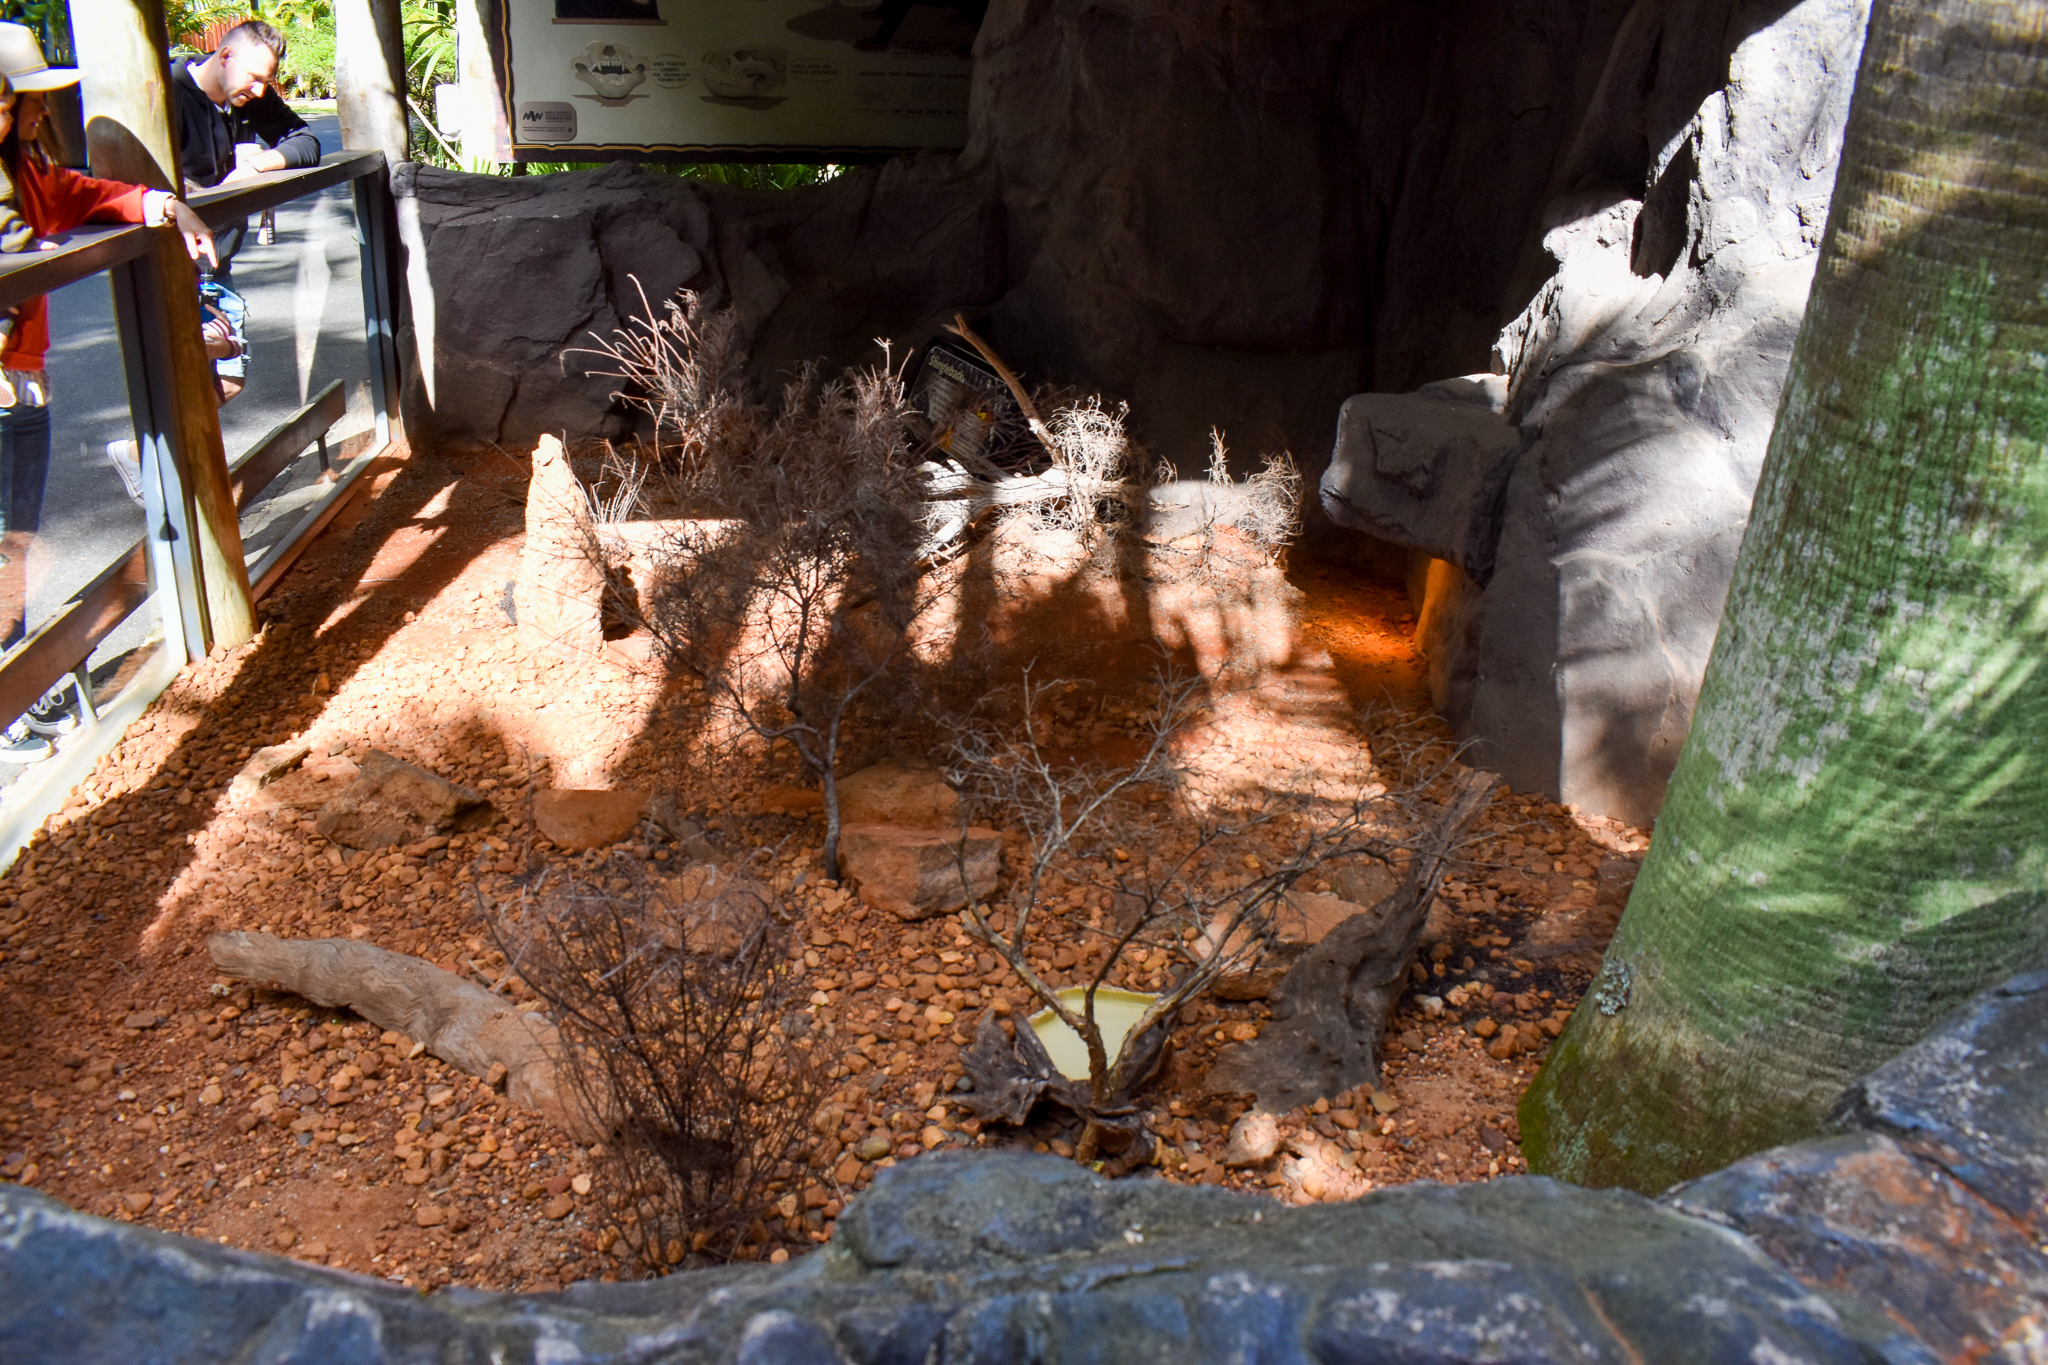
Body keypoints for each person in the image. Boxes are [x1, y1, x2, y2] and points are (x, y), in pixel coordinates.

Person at [0, 23, 216, 761]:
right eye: (22, 99)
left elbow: (88, 195)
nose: (38, 111)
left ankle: (13, 688)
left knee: (14, 540)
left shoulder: (29, 175)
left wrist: (166, 206)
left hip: (22, 383)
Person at [169, 19, 320, 272]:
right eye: (255, 78)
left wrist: (254, 166)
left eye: (267, 81)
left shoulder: (252, 96)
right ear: (226, 56)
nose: (260, 91)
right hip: (173, 266)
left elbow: (306, 142)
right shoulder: (169, 93)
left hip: (220, 261)